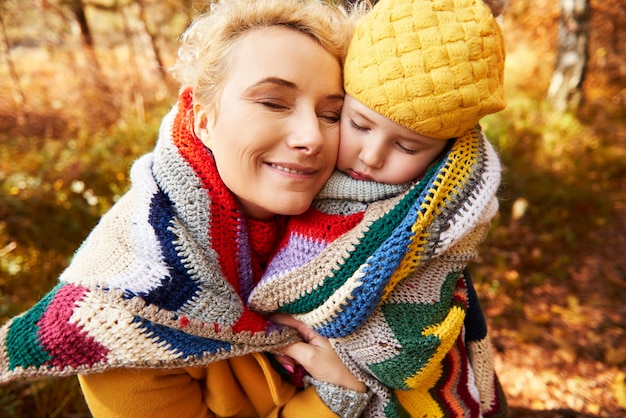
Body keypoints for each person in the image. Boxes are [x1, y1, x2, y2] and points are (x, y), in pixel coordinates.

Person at [0, 0, 372, 416]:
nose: (312, 137)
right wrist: (334, 398)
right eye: (273, 102)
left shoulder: (369, 218)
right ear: (203, 120)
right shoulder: (128, 306)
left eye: (331, 114)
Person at [248, 0, 510, 416]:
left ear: (445, 151)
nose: (371, 156)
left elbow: (412, 352)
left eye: (407, 146)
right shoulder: (299, 169)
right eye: (358, 125)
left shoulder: (430, 219)